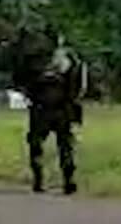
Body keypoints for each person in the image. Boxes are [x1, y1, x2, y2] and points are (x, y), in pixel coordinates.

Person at [12, 25, 86, 194]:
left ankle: (68, 179)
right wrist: (30, 95)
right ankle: (40, 178)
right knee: (38, 144)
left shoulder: (69, 58)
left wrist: (73, 100)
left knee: (65, 145)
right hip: (42, 106)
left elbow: (79, 81)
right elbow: (21, 79)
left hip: (61, 106)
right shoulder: (36, 59)